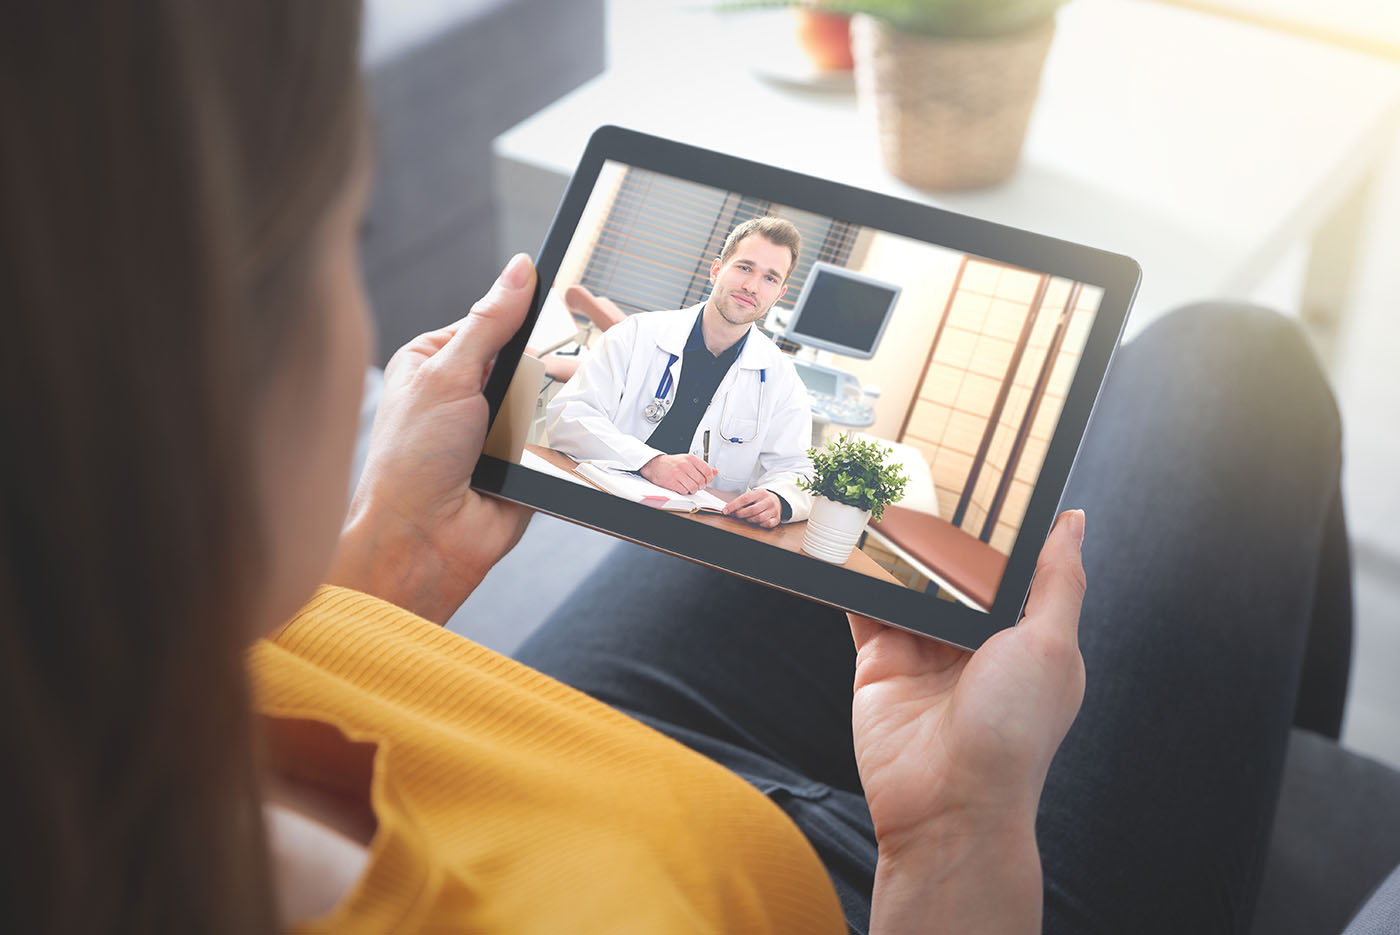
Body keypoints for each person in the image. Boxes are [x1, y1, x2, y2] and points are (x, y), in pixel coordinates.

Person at [6, 3, 1396, 934]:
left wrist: (379, 568)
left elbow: (789, 471)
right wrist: (960, 841)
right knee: (1236, 367)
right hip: (852, 880)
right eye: (344, 235)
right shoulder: (645, 343)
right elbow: (592, 424)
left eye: (765, 272)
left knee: (1070, 451)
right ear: (185, 405)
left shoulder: (115, 689)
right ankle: (1285, 799)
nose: (747, 282)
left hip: (510, 730)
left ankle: (1279, 759)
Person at [545, 217, 816, 528]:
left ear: (779, 294)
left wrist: (778, 498)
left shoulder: (780, 377)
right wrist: (649, 462)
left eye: (769, 278)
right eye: (744, 267)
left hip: (699, 528)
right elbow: (569, 415)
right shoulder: (637, 334)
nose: (751, 286)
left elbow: (797, 468)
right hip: (602, 506)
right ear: (717, 270)